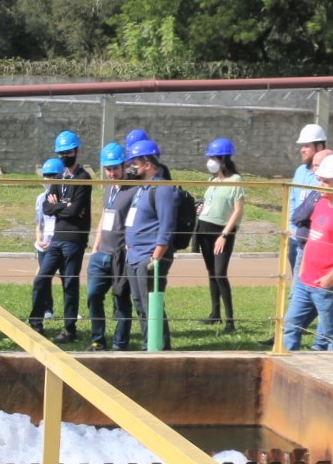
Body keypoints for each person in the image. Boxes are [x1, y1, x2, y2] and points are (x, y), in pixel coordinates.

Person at [283, 153, 333, 351]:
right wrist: (302, 269)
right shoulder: (320, 203)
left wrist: (332, 276)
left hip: (329, 284)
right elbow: (312, 237)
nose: (320, 184)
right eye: (319, 180)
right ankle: (289, 367)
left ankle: (332, 372)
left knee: (331, 334)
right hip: (306, 279)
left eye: (325, 181)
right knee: (290, 325)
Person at [122, 137, 181, 350]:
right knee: (140, 304)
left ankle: (161, 347)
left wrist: (156, 256)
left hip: (149, 257)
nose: (131, 167)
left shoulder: (162, 189)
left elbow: (167, 226)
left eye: (135, 163)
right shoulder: (143, 188)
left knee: (151, 305)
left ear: (148, 164)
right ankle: (149, 344)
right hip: (134, 256)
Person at [36, 130, 90, 341]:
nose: (64, 156)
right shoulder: (59, 177)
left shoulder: (84, 178)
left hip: (75, 239)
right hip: (56, 238)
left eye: (67, 152)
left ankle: (69, 329)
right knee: (41, 279)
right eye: (61, 153)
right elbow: (46, 208)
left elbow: (75, 209)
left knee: (69, 283)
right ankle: (36, 323)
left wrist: (60, 205)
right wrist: (63, 205)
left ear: (76, 151)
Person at [86, 142, 136, 351]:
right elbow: (104, 217)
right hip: (101, 254)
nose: (112, 172)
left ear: (124, 165)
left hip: (121, 256)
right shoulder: (108, 188)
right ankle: (98, 339)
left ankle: (120, 343)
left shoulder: (135, 189)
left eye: (115, 168)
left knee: (122, 300)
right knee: (93, 296)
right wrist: (95, 247)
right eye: (108, 168)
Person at [195, 138, 244, 332]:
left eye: (213, 157)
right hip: (205, 229)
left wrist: (224, 235)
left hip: (221, 231)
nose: (210, 161)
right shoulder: (212, 180)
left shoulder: (236, 180)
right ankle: (215, 314)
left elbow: (237, 210)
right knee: (211, 273)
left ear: (223, 159)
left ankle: (230, 321)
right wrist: (200, 209)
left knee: (220, 273)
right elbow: (209, 203)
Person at [30, 157, 65, 327]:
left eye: (52, 175)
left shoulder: (64, 196)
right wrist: (39, 238)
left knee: (67, 278)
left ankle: (70, 312)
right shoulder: (40, 198)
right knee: (43, 278)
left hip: (60, 242)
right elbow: (39, 222)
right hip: (44, 244)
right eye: (45, 176)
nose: (48, 179)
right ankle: (46, 309)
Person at [288, 124, 326, 274]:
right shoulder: (299, 171)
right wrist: (290, 227)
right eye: (301, 146)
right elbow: (292, 199)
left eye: (306, 146)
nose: (302, 150)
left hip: (313, 242)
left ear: (319, 147)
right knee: (297, 283)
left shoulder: (329, 177)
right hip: (294, 238)